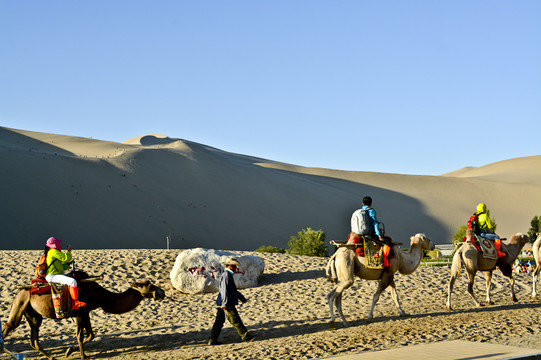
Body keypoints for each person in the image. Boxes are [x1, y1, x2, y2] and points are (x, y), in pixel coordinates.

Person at [208, 257, 256, 345]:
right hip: (226, 303)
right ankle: (246, 336)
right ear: (230, 266)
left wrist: (242, 298)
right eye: (234, 266)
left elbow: (232, 290)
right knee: (236, 320)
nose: (236, 268)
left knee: (219, 322)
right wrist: (225, 304)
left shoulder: (227, 275)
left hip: (223, 302)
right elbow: (225, 290)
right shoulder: (227, 275)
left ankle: (212, 340)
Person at [44, 237, 86, 310]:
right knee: (72, 282)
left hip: (57, 274)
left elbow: (61, 267)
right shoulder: (53, 251)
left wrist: (67, 265)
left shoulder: (51, 252)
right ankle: (75, 302)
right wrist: (69, 251)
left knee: (73, 278)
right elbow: (66, 258)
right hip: (53, 276)